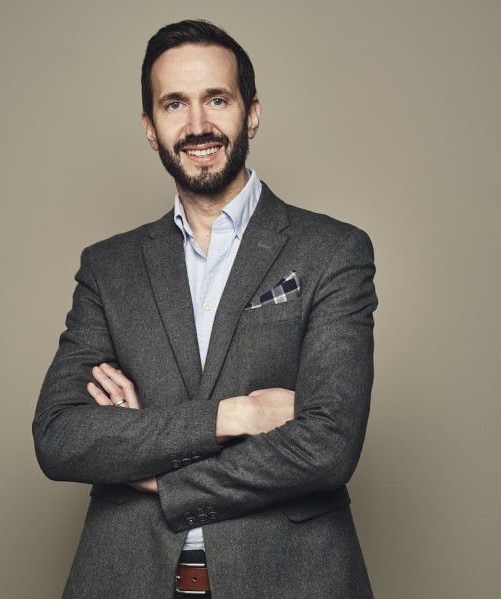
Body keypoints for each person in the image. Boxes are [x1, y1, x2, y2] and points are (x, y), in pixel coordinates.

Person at [33, 19, 377, 599]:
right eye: (174, 104)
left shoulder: (333, 251)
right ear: (151, 128)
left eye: (217, 99)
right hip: (125, 578)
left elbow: (328, 446)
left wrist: (155, 475)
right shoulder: (108, 268)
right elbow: (60, 436)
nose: (197, 126)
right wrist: (236, 416)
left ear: (252, 113)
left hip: (292, 580)